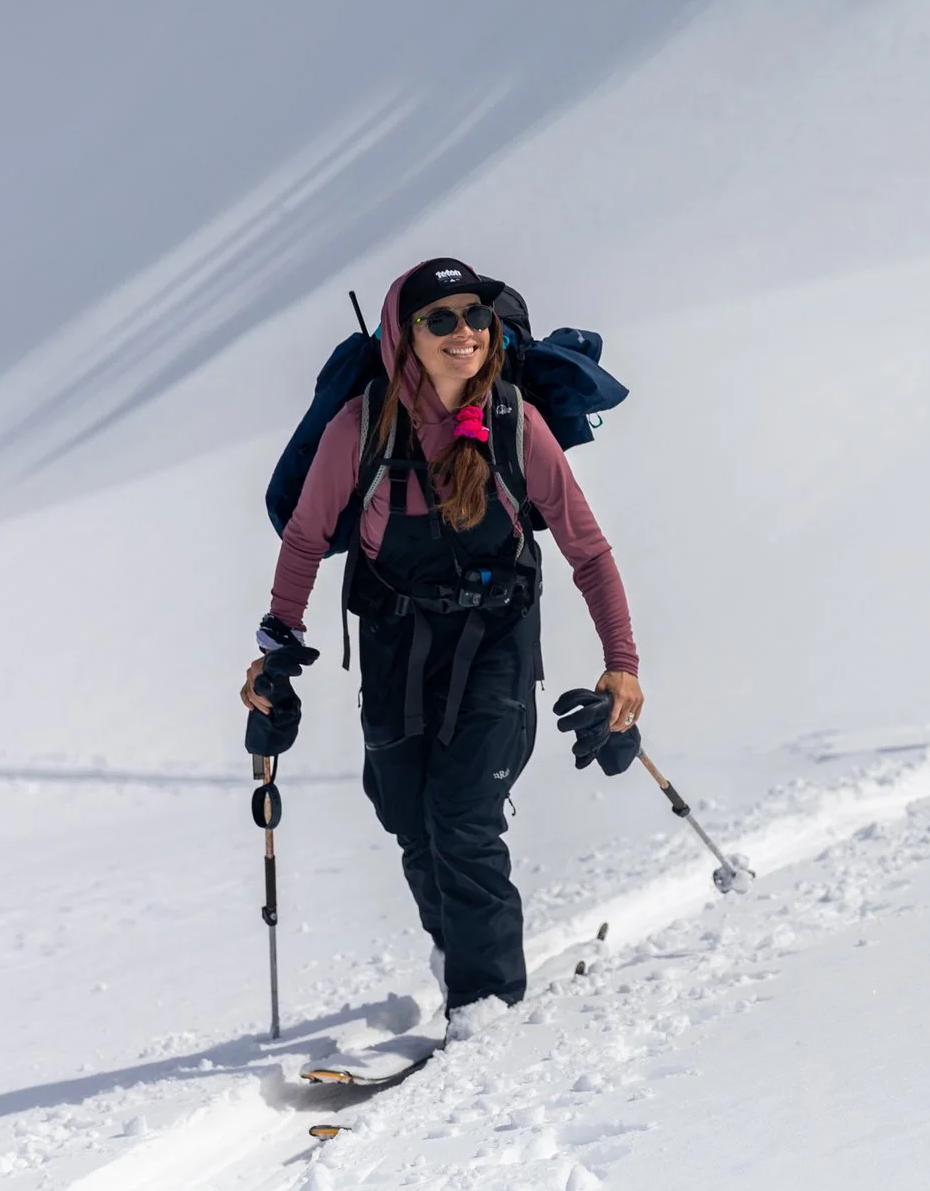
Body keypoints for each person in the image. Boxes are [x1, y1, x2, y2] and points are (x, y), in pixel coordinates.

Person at [242, 258, 642, 1040]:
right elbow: (305, 539)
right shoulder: (361, 428)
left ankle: (486, 1005)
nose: (465, 333)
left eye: (476, 318)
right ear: (403, 334)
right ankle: (457, 952)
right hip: (395, 637)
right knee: (407, 815)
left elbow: (588, 552)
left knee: (461, 817)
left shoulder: (514, 424)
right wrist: (275, 644)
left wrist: (621, 663)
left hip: (494, 640)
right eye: (441, 319)